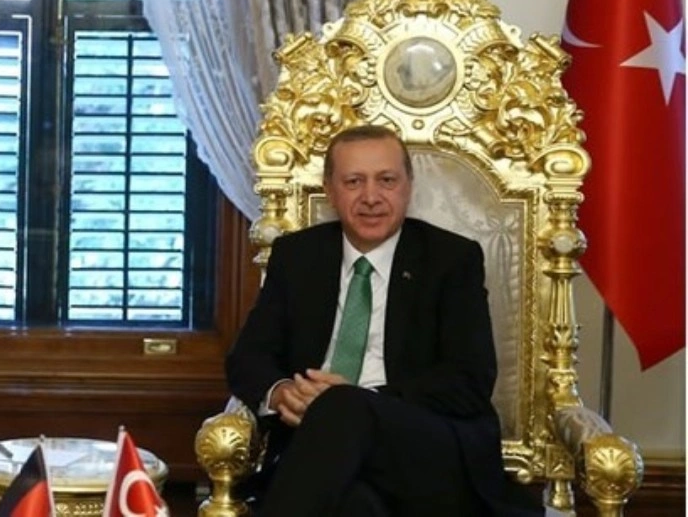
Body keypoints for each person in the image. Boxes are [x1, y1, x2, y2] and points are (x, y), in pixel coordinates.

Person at [226, 125, 539, 516]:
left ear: (408, 186)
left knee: (343, 407)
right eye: (353, 182)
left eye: (386, 180)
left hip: (425, 450)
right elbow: (248, 358)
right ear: (330, 190)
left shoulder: (451, 259)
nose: (371, 197)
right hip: (317, 455)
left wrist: (361, 401)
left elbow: (469, 380)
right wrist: (283, 392)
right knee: (355, 505)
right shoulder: (298, 255)